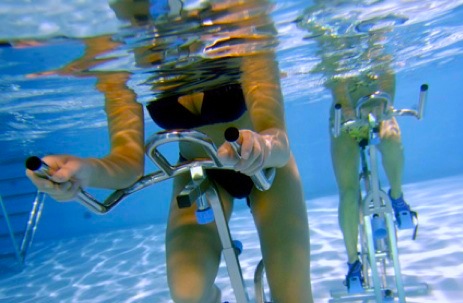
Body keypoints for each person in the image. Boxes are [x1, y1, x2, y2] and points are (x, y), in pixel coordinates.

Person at [26, 1, 315, 302]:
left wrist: (261, 147)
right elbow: (127, 163)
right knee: (187, 295)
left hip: (266, 169)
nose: (151, 29)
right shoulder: (118, 50)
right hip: (198, 172)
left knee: (294, 297)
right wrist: (83, 171)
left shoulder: (238, 17)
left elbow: (278, 141)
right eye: (137, 17)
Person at [296, 2, 416, 290]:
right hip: (344, 115)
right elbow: (338, 85)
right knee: (348, 192)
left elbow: (387, 75)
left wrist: (382, 109)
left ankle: (397, 198)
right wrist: (349, 112)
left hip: (378, 108)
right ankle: (353, 263)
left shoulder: (376, 27)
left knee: (390, 138)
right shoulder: (330, 39)